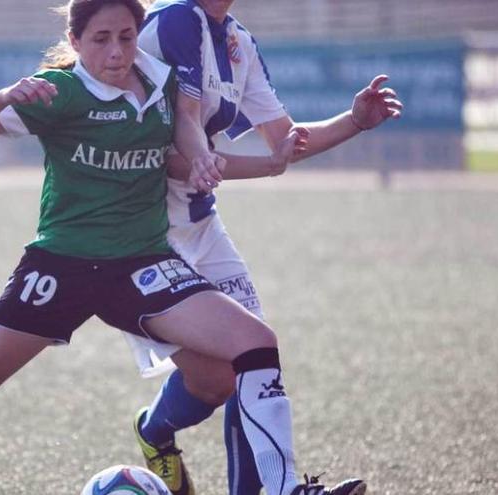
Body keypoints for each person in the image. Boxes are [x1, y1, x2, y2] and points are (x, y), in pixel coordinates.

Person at [0, 1, 362, 494]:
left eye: (126, 37)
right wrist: (3, 97)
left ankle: (285, 486)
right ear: (75, 40)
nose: (116, 51)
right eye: (101, 39)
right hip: (61, 267)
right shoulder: (59, 91)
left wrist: (221, 158)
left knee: (251, 348)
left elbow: (183, 125)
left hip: (142, 265)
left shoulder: (159, 82)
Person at [126, 1, 403, 495]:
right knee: (226, 372)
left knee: (246, 360)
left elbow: (284, 139)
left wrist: (353, 121)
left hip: (200, 223)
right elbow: (180, 139)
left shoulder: (237, 41)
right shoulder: (176, 22)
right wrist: (250, 164)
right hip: (144, 234)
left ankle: (249, 481)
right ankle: (161, 433)